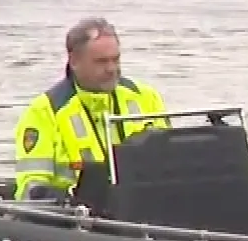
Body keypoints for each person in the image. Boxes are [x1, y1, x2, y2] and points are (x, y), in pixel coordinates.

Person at [13, 17, 170, 201]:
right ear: (74, 61)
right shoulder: (44, 112)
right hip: (78, 219)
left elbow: (172, 164)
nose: (111, 68)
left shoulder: (146, 97)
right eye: (101, 61)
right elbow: (31, 188)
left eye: (115, 59)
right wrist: (68, 200)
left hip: (146, 207)